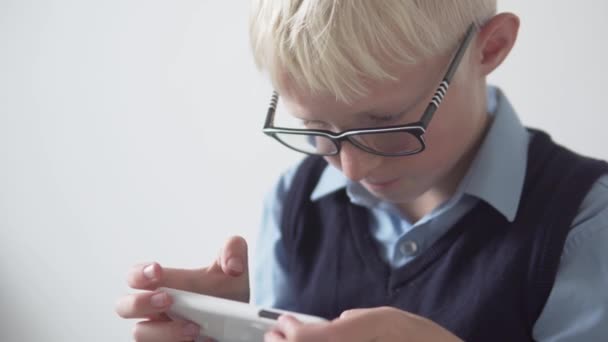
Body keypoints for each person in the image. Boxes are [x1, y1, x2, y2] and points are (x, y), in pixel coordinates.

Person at [115, 1, 608, 341]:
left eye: (386, 123)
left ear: (490, 48)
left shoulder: (586, 225)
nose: (352, 168)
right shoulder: (293, 202)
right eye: (317, 129)